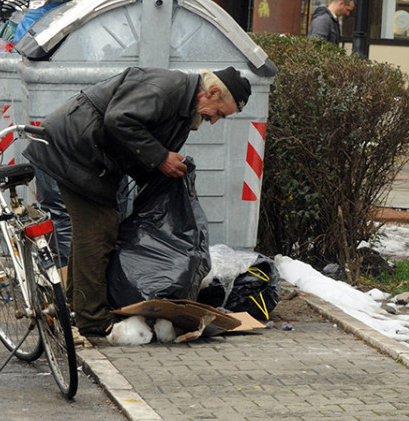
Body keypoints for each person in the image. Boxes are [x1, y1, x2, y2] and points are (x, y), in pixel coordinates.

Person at [23, 66, 251, 338]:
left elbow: (138, 139)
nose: (214, 121)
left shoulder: (183, 103)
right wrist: (161, 158)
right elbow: (120, 120)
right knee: (97, 232)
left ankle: (76, 307)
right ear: (212, 93)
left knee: (95, 232)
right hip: (73, 150)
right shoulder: (168, 88)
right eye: (219, 114)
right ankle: (92, 320)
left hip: (88, 155)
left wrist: (163, 169)